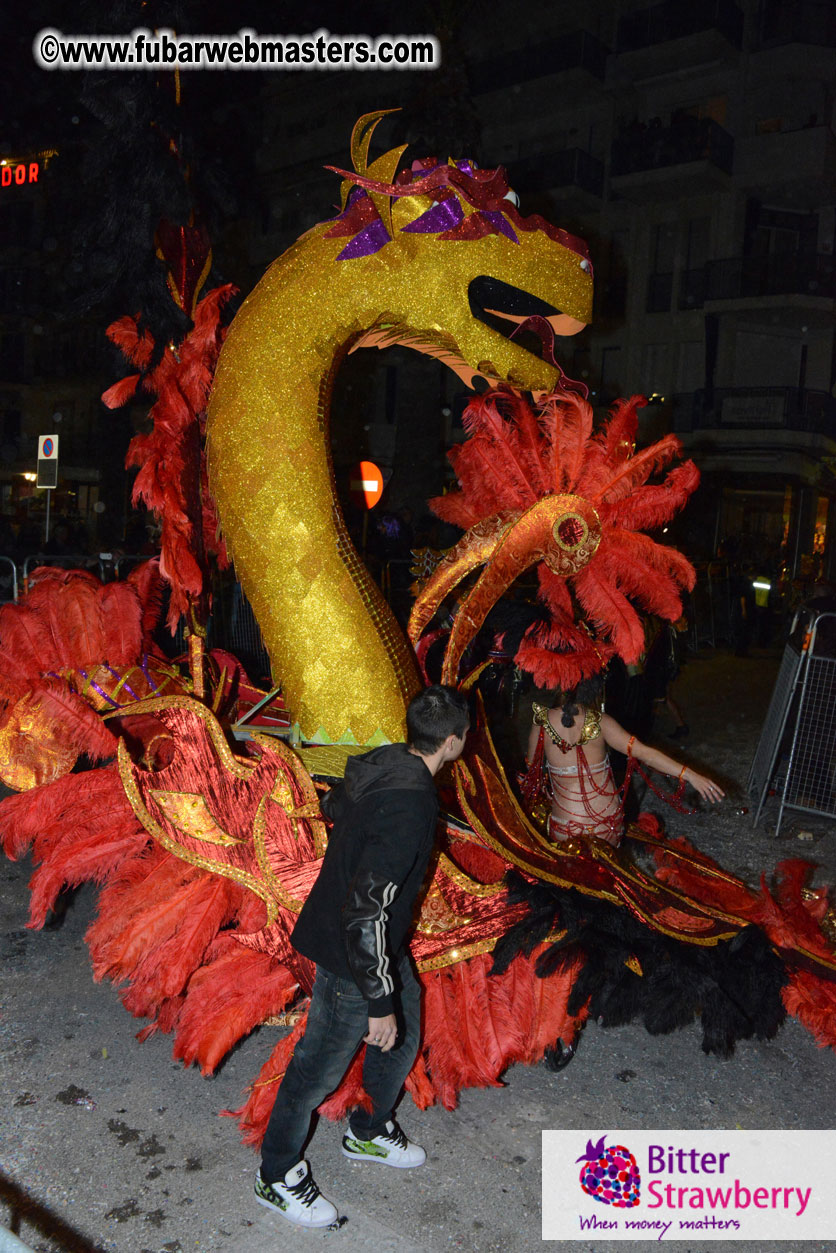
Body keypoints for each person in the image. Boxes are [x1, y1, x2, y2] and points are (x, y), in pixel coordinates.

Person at [255, 684, 470, 1228]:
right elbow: (364, 912)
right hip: (355, 953)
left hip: (376, 945)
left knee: (404, 1032)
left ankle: (368, 1132)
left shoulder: (391, 761)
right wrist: (378, 998)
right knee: (317, 1069)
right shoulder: (411, 805)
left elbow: (337, 800)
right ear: (453, 742)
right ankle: (276, 1175)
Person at [525, 675, 723, 847]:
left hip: (567, 828)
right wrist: (690, 775)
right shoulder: (601, 721)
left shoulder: (541, 723)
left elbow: (532, 773)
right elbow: (646, 753)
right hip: (608, 828)